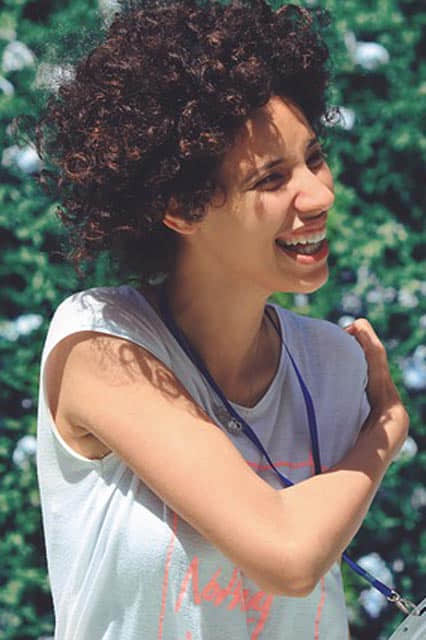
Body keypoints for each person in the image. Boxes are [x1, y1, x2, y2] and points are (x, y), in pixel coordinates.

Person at [34, 1, 409, 638]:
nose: (320, 194)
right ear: (182, 207)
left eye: (314, 158)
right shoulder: (99, 346)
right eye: (272, 178)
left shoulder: (335, 363)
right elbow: (288, 556)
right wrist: (387, 430)